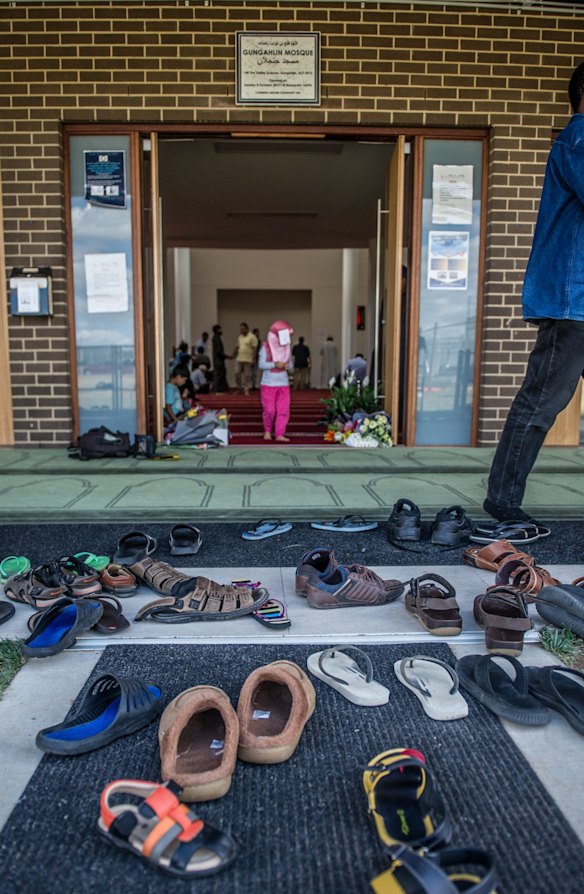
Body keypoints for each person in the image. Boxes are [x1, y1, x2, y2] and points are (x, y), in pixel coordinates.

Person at [484, 61, 584, 524]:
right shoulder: (579, 137)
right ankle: (503, 502)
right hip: (572, 302)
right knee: (541, 402)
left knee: (540, 401)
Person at [258, 320, 294, 442]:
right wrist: (274, 364)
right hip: (268, 383)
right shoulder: (265, 346)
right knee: (269, 410)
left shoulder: (287, 347)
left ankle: (279, 434)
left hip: (283, 383)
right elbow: (261, 364)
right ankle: (267, 431)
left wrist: (287, 365)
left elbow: (291, 365)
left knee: (283, 410)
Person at [233, 322, 258, 396]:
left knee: (247, 376)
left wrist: (253, 358)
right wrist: (233, 354)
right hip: (239, 359)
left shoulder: (252, 337)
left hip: (248, 359)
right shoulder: (240, 337)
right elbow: (237, 347)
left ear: (247, 329)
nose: (241, 330)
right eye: (240, 329)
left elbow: (255, 348)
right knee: (236, 373)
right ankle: (239, 388)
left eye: (242, 329)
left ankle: (246, 390)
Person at [211, 324, 231, 394]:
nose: (221, 331)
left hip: (218, 360)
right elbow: (219, 351)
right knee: (218, 375)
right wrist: (227, 356)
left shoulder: (216, 338)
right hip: (218, 361)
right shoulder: (216, 338)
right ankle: (216, 390)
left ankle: (219, 389)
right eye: (220, 329)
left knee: (220, 374)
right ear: (217, 330)